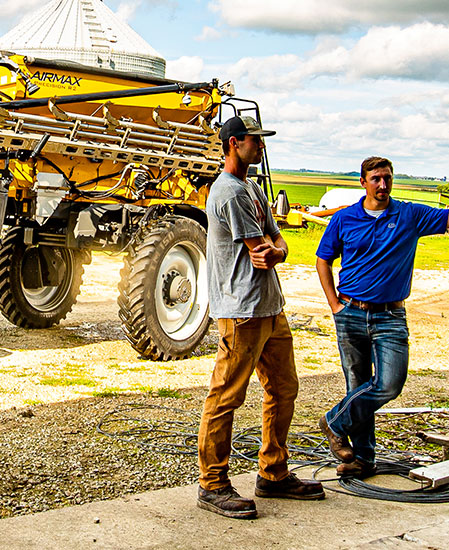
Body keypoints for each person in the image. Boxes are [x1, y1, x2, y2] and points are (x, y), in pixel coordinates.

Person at [315, 157, 449, 477]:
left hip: (390, 315)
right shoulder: (344, 218)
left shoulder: (409, 215)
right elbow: (323, 260)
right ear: (363, 182)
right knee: (358, 386)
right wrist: (335, 305)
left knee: (389, 384)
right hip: (350, 313)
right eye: (375, 178)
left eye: (387, 178)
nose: (382, 184)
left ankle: (334, 421)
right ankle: (362, 458)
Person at [194, 115, 325, 520]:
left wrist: (278, 249)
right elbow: (259, 247)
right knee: (226, 396)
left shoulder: (251, 188)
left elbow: (277, 244)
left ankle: (273, 473)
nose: (261, 146)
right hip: (243, 312)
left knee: (283, 388)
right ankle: (212, 484)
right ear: (234, 143)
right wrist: (271, 249)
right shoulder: (229, 193)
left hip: (270, 307)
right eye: (256, 141)